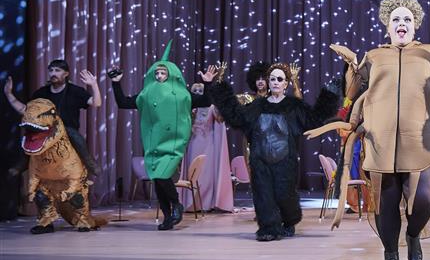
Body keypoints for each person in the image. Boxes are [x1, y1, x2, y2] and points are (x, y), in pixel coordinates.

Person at [305, 0, 430, 260]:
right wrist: (352, 65)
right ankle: (391, 255)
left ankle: (414, 234)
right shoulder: (373, 56)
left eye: (407, 19)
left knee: (424, 198)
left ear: (415, 25)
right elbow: (352, 92)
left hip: (422, 143)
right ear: (387, 26)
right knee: (386, 205)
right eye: (396, 19)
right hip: (380, 143)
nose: (401, 23)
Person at [209, 61, 338, 242]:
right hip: (260, 161)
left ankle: (289, 221)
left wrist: (330, 95)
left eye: (280, 79)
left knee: (285, 195)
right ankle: (268, 228)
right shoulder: (257, 106)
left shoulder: (293, 106)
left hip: (285, 161)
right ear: (268, 83)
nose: (276, 82)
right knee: (264, 195)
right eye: (272, 79)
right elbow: (236, 116)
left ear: (286, 84)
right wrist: (220, 88)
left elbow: (314, 118)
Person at [110, 41, 217, 230]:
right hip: (154, 145)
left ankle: (176, 204)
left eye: (163, 73)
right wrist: (116, 83)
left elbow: (206, 102)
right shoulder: (146, 94)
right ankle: (168, 217)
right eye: (157, 73)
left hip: (173, 145)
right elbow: (123, 103)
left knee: (162, 174)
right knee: (158, 181)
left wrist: (208, 84)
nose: (159, 76)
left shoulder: (183, 95)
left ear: (171, 74)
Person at [4, 60, 102, 176]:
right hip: (44, 130)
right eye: (51, 70)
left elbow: (96, 103)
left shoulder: (75, 91)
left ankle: (89, 162)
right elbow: (25, 110)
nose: (53, 73)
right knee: (29, 133)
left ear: (66, 74)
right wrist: (9, 94)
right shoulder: (41, 93)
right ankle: (23, 162)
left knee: (73, 133)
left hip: (66, 131)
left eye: (57, 70)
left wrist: (94, 85)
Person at [179, 83, 233, 212]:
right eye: (195, 91)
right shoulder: (189, 108)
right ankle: (193, 204)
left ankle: (206, 204)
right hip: (193, 144)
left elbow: (220, 120)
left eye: (200, 90)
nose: (198, 93)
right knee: (194, 173)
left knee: (207, 175)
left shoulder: (212, 107)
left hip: (209, 145)